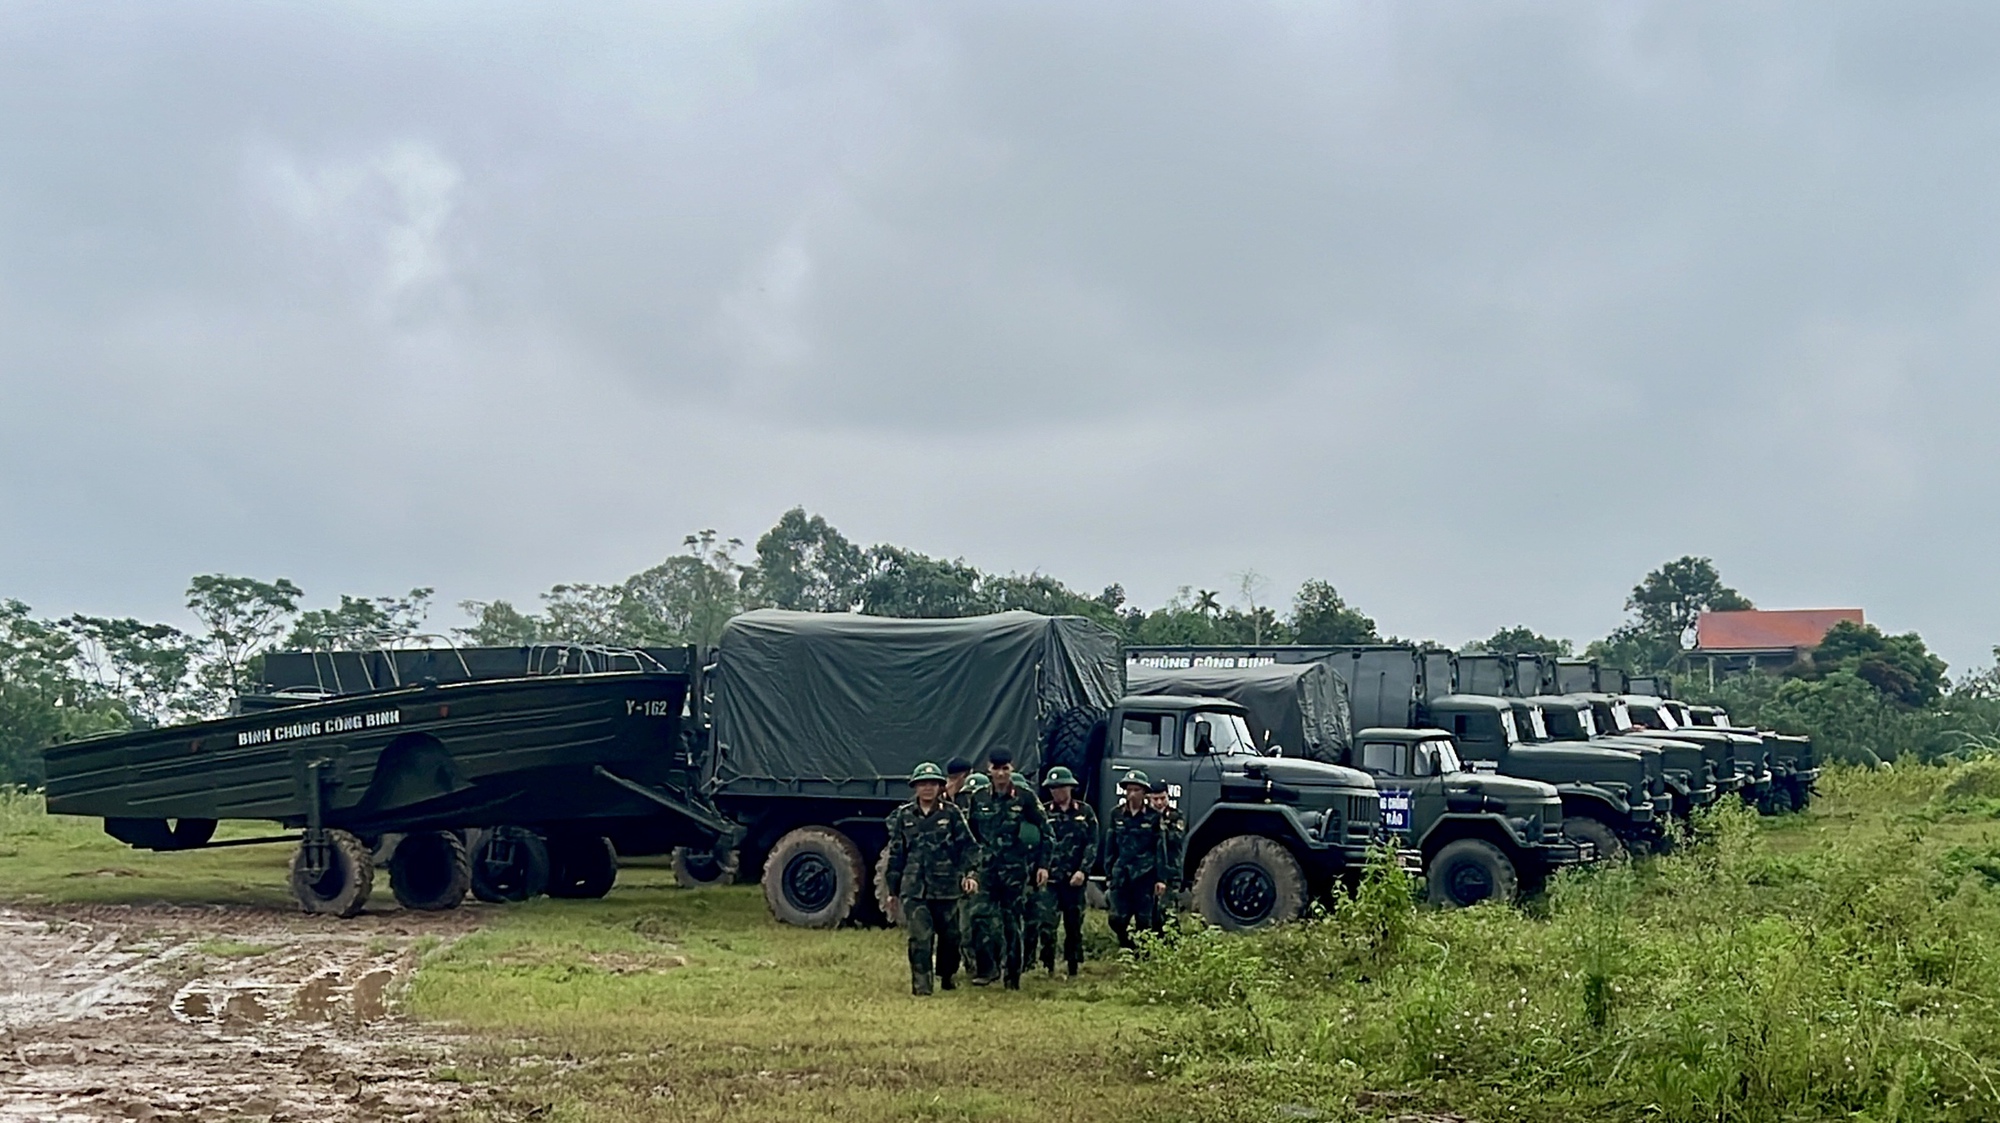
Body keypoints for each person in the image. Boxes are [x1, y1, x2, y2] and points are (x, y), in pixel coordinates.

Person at [882, 761, 980, 996]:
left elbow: (969, 847)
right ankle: (922, 988)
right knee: (920, 938)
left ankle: (946, 975)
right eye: (922, 784)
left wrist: (971, 874)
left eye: (932, 784)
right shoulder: (904, 816)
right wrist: (892, 891)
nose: (927, 788)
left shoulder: (952, 814)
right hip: (914, 889)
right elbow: (896, 854)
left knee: (950, 938)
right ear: (915, 787)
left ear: (939, 787)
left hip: (946, 888)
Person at [964, 748, 1050, 989]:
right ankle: (987, 969)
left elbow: (1046, 833)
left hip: (1015, 870)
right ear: (988, 770)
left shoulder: (1025, 797)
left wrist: (1042, 865)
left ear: (1012, 769)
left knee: (1012, 923)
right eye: (996, 768)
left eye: (1005, 768)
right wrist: (970, 869)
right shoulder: (979, 798)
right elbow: (971, 837)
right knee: (979, 916)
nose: (1000, 773)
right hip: (987, 870)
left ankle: (1012, 977)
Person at [1040, 765, 1098, 976]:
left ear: (1070, 788)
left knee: (1073, 926)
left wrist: (1083, 871)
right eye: (1053, 788)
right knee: (1046, 925)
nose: (1058, 791)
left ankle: (1073, 966)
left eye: (1062, 787)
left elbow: (1092, 844)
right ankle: (1047, 966)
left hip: (1075, 880)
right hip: (1050, 880)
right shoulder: (1043, 812)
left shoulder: (1085, 812)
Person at [1103, 770, 1168, 951]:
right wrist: (1109, 872)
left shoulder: (1153, 817)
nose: (1131, 794)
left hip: (1144, 875)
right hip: (1121, 874)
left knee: (1144, 920)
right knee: (1117, 918)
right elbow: (1110, 845)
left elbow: (1159, 849)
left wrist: (1161, 878)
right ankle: (1126, 944)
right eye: (1128, 790)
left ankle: (1143, 956)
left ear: (1144, 792)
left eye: (1136, 790)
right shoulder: (1116, 815)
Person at [957, 771, 995, 980]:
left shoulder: (991, 817)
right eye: (968, 794)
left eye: (975, 794)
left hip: (986, 877)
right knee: (963, 927)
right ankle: (970, 965)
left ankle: (988, 968)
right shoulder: (960, 817)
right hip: (963, 877)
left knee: (983, 925)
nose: (971, 798)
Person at [1147, 778, 1187, 936]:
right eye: (1155, 799)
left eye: (1162, 798)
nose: (1159, 803)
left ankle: (1173, 941)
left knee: (1167, 910)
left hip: (1170, 870)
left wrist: (1160, 825)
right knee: (1151, 911)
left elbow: (1176, 839)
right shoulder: (1146, 817)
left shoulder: (1175, 816)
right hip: (1150, 869)